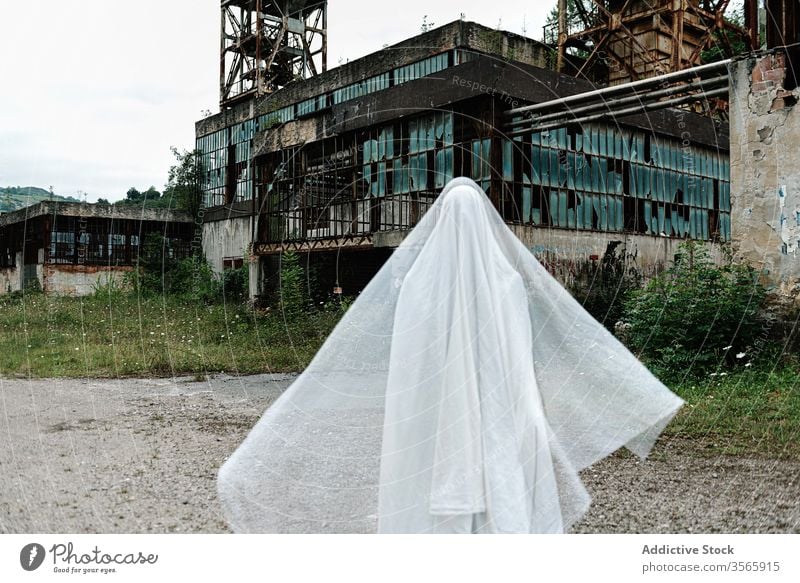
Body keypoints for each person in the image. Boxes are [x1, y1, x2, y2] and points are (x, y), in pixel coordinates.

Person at [217, 177, 683, 533]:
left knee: (434, 483)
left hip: (437, 416)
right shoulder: (507, 281)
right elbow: (519, 354)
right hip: (499, 409)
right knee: (500, 481)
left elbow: (410, 367)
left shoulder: (420, 285)